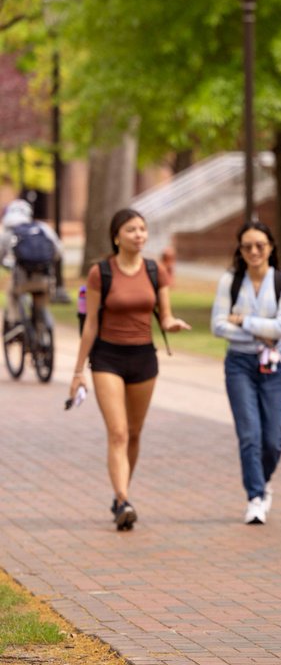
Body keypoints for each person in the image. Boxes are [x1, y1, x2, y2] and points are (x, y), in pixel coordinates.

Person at [69, 208, 191, 530]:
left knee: (134, 433)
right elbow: (90, 324)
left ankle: (121, 495)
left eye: (142, 229)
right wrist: (78, 371)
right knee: (118, 432)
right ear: (116, 236)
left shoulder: (155, 270)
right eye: (131, 230)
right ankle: (123, 499)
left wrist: (172, 322)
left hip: (143, 359)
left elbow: (163, 316)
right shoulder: (101, 273)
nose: (139, 235)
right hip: (107, 358)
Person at [211, 221, 281, 525]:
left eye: (260, 245)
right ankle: (256, 497)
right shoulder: (230, 280)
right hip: (239, 365)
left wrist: (244, 321)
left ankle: (262, 479)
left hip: (274, 367)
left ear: (271, 247)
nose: (254, 251)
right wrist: (263, 330)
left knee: (273, 439)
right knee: (250, 434)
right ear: (240, 250)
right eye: (247, 246)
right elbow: (218, 326)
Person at [2, 198, 62, 326]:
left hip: (21, 281)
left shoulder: (8, 233)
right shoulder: (42, 228)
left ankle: (16, 323)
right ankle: (45, 329)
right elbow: (58, 250)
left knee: (12, 294)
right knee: (42, 303)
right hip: (44, 279)